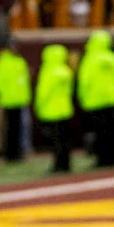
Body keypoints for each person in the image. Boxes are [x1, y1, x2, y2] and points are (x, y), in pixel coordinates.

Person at [78, 30, 114, 167]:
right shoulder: (113, 58)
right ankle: (112, 158)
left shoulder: (90, 58)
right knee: (111, 131)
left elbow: (84, 80)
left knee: (99, 133)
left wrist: (83, 97)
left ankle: (101, 159)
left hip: (94, 101)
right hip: (112, 99)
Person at [34, 43, 74, 173]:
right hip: (65, 108)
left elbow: (43, 92)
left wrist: (38, 106)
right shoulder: (66, 70)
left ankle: (58, 165)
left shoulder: (49, 71)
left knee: (56, 140)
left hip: (51, 110)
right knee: (65, 139)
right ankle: (66, 164)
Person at [0, 40, 30, 162]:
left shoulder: (18, 62)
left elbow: (24, 81)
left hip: (17, 99)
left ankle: (17, 152)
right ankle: (10, 153)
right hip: (10, 100)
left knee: (17, 127)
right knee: (10, 128)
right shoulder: (5, 62)